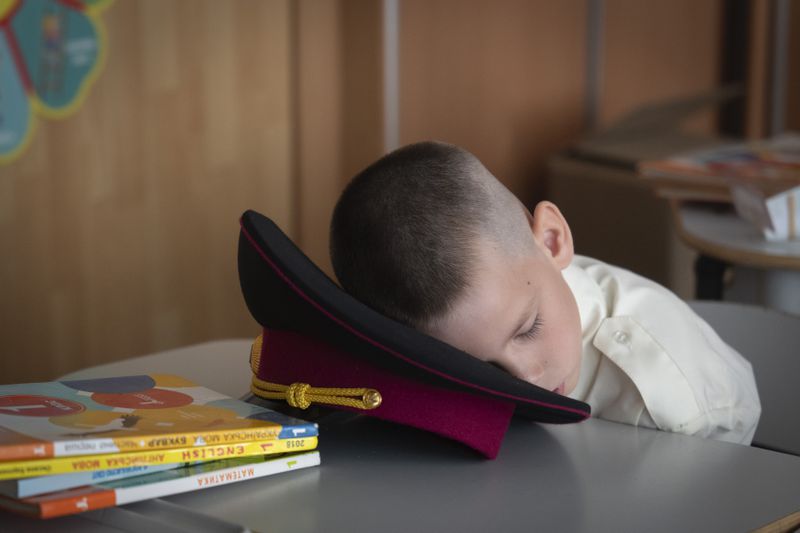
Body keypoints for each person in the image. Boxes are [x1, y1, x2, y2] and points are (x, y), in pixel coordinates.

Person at [329, 141, 761, 445]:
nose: (525, 377)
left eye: (528, 328)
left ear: (553, 240)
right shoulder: (516, 283)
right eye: (475, 365)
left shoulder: (676, 411)